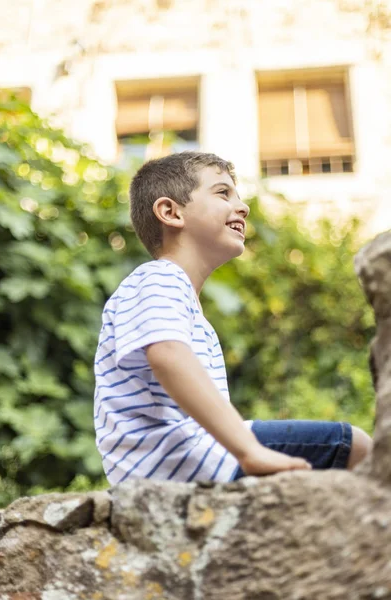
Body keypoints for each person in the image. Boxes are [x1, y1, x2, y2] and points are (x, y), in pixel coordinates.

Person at [94, 151, 372, 485]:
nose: (242, 206)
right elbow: (168, 355)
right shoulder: (159, 277)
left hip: (183, 461)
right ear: (171, 212)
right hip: (185, 458)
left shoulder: (181, 298)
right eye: (223, 193)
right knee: (355, 446)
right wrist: (248, 449)